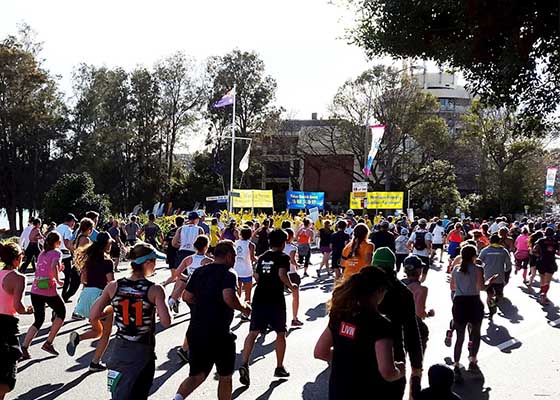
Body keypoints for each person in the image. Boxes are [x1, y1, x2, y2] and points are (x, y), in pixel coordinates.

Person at [89, 242, 171, 400]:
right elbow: (166, 321)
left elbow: (93, 315)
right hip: (142, 352)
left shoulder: (114, 286)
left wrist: (113, 309)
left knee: (119, 394)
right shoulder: (154, 289)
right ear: (147, 263)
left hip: (119, 350)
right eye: (154, 261)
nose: (155, 265)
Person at [172, 241, 251, 400]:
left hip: (196, 331)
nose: (235, 259)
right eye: (234, 255)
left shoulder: (199, 272)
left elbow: (186, 296)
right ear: (229, 256)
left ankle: (177, 398)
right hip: (219, 334)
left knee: (197, 375)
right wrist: (245, 308)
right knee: (225, 376)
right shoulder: (229, 273)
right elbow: (229, 297)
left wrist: (203, 304)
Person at [314, 267, 405, 399]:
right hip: (368, 391)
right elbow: (387, 372)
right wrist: (400, 370)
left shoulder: (339, 315)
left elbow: (320, 352)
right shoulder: (380, 324)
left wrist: (345, 356)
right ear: (379, 291)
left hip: (339, 390)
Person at [239, 229, 297, 386]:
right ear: (284, 242)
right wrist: (292, 287)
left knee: (253, 332)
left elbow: (256, 275)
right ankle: (279, 366)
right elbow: (282, 275)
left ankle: (244, 363)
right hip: (275, 298)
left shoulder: (263, 256)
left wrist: (264, 279)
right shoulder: (283, 257)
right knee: (280, 332)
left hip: (259, 296)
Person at [373, 247, 424, 399]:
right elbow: (411, 330)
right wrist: (417, 364)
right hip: (394, 351)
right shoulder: (402, 292)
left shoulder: (357, 289)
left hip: (363, 354)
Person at [66, 232, 115, 372]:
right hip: (100, 297)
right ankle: (95, 362)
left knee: (97, 330)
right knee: (106, 333)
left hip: (86, 295)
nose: (111, 245)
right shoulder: (107, 262)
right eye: (110, 243)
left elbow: (84, 280)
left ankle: (78, 338)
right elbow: (111, 283)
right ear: (106, 244)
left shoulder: (89, 260)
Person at [450, 244, 495, 383]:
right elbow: (482, 287)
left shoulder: (456, 269)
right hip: (474, 302)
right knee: (475, 333)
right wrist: (490, 281)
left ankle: (456, 364)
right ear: (474, 256)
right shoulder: (478, 269)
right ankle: (472, 359)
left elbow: (452, 286)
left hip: (459, 302)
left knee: (460, 337)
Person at [21, 231, 66, 359]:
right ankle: (48, 342)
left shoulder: (42, 253)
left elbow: (46, 267)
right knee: (61, 313)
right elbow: (52, 267)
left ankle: (24, 347)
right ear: (57, 242)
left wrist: (58, 268)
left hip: (35, 289)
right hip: (48, 289)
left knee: (39, 320)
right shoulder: (57, 252)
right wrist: (57, 280)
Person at [0, 242, 33, 400]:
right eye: (21, 256)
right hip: (6, 326)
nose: (22, 259)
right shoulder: (18, 277)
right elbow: (18, 306)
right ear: (16, 259)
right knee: (6, 377)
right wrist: (27, 310)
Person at [402, 255, 435, 354]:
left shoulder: (398, 283)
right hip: (414, 326)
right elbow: (419, 312)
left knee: (399, 359)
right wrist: (428, 314)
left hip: (398, 324)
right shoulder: (421, 289)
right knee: (416, 359)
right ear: (418, 271)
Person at [479, 234, 512, 320]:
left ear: (490, 241)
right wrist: (506, 273)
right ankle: (494, 304)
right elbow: (508, 265)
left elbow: (479, 262)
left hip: (488, 277)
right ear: (499, 241)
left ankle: (491, 310)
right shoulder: (504, 251)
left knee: (489, 295)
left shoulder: (485, 251)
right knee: (499, 294)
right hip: (499, 277)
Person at [56, 213, 81, 302]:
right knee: (68, 276)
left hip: (56, 252)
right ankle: (64, 296)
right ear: (71, 221)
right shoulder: (67, 229)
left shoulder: (58, 227)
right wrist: (74, 251)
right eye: (73, 222)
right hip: (65, 255)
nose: (73, 224)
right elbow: (67, 243)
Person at [234, 227, 257, 318]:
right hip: (246, 270)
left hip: (236, 270)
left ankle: (235, 309)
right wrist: (258, 258)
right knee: (248, 294)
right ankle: (245, 314)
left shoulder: (235, 243)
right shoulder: (251, 245)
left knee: (237, 293)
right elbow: (252, 258)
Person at [533, 227, 559, 305]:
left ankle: (542, 294)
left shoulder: (540, 241)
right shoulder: (555, 241)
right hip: (551, 262)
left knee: (542, 278)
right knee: (547, 281)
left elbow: (534, 250)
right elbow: (558, 252)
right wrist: (552, 251)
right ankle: (544, 295)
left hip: (541, 261)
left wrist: (539, 255)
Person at [284, 228, 303, 327]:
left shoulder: (279, 247)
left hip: (280, 273)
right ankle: (294, 318)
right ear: (291, 236)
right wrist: (298, 264)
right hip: (291, 273)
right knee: (295, 297)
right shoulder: (292, 248)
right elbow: (292, 260)